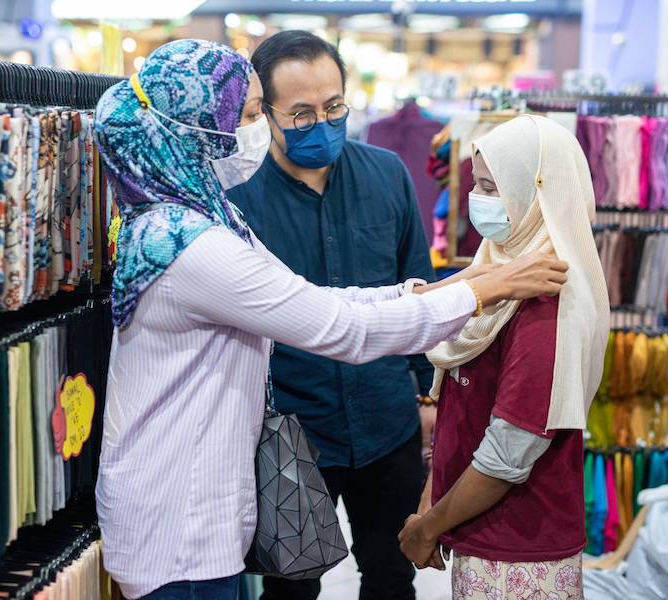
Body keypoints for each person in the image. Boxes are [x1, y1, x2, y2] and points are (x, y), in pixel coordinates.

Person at [93, 40, 568, 600]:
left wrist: (453, 285)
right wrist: (487, 289)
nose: (253, 133)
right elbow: (339, 328)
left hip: (301, 462)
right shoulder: (192, 245)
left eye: (334, 107)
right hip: (183, 522)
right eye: (248, 117)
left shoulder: (199, 219)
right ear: (198, 130)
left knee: (388, 577)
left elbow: (330, 299)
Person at [227, 30, 438, 600]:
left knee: (393, 576)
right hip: (293, 429)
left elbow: (417, 286)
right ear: (264, 113)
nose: (321, 122)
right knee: (291, 588)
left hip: (387, 421)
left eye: (334, 106)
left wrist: (427, 397)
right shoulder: (238, 200)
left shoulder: (387, 174)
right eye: (300, 113)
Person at [397, 115, 610, 600]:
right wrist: (434, 498)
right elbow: (459, 403)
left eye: (493, 187)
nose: (480, 200)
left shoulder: (548, 294)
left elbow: (508, 453)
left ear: (535, 190)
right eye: (477, 185)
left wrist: (428, 526)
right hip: (483, 534)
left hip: (520, 551)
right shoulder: (498, 266)